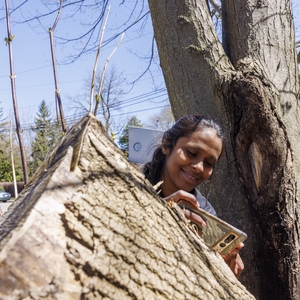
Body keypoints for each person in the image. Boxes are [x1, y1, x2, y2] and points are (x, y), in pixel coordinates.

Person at [141, 114, 244, 278]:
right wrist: (155, 214)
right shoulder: (129, 181)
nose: (198, 167)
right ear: (167, 144)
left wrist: (223, 267)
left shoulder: (204, 213)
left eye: (209, 163)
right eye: (191, 152)